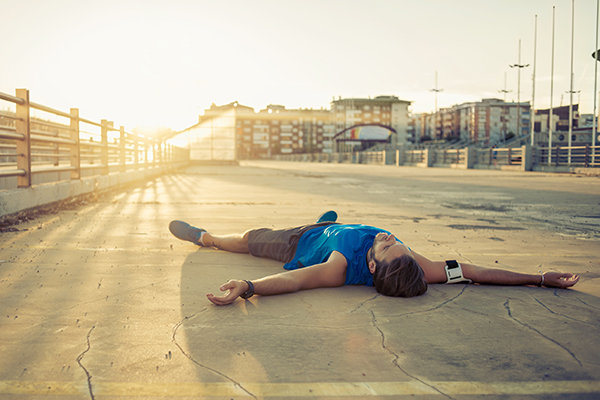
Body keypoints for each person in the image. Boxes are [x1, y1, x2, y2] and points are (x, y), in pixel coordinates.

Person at [168, 212, 580, 306]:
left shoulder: (337, 268)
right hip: (337, 228)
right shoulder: (418, 268)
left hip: (300, 242)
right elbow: (471, 270)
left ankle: (205, 238)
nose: (388, 236)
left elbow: (293, 281)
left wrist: (248, 287)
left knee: (248, 238)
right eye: (396, 241)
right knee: (332, 223)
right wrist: (539, 277)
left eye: (386, 245)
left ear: (371, 266)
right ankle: (325, 219)